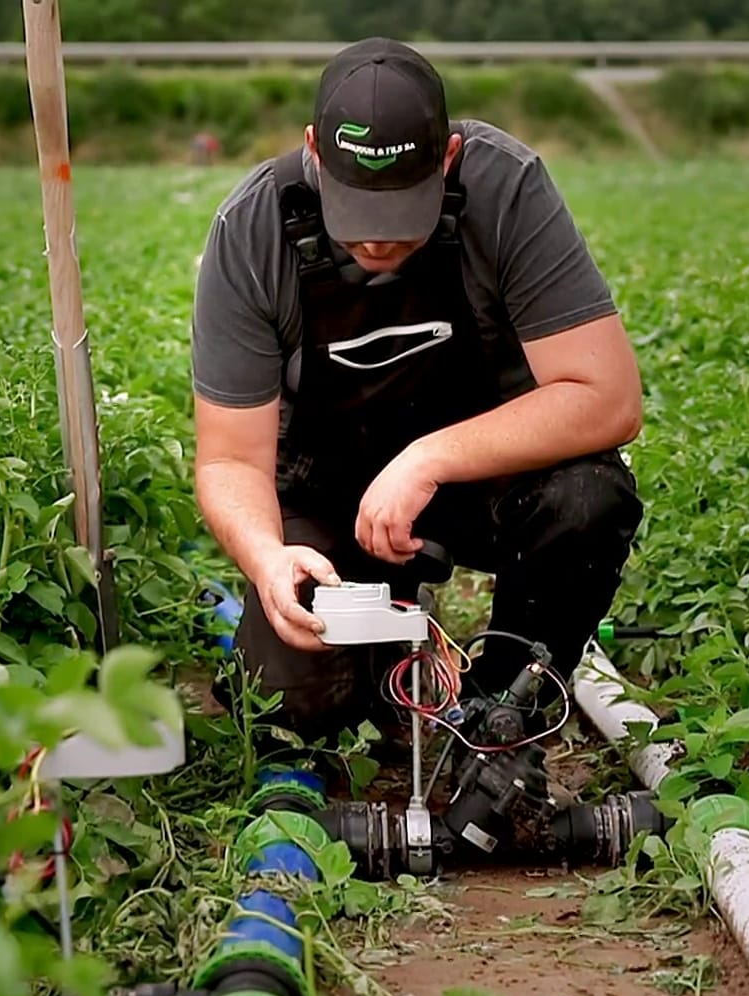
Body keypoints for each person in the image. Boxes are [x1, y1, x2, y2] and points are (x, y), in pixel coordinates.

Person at [190, 36, 644, 751]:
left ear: (450, 160)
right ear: (314, 150)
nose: (375, 241)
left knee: (588, 499)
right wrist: (266, 559)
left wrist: (428, 458)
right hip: (326, 489)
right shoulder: (254, 228)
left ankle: (503, 713)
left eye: (402, 210)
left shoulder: (507, 188)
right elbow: (227, 463)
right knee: (291, 712)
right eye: (356, 209)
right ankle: (382, 654)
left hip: (477, 481)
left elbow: (609, 398)